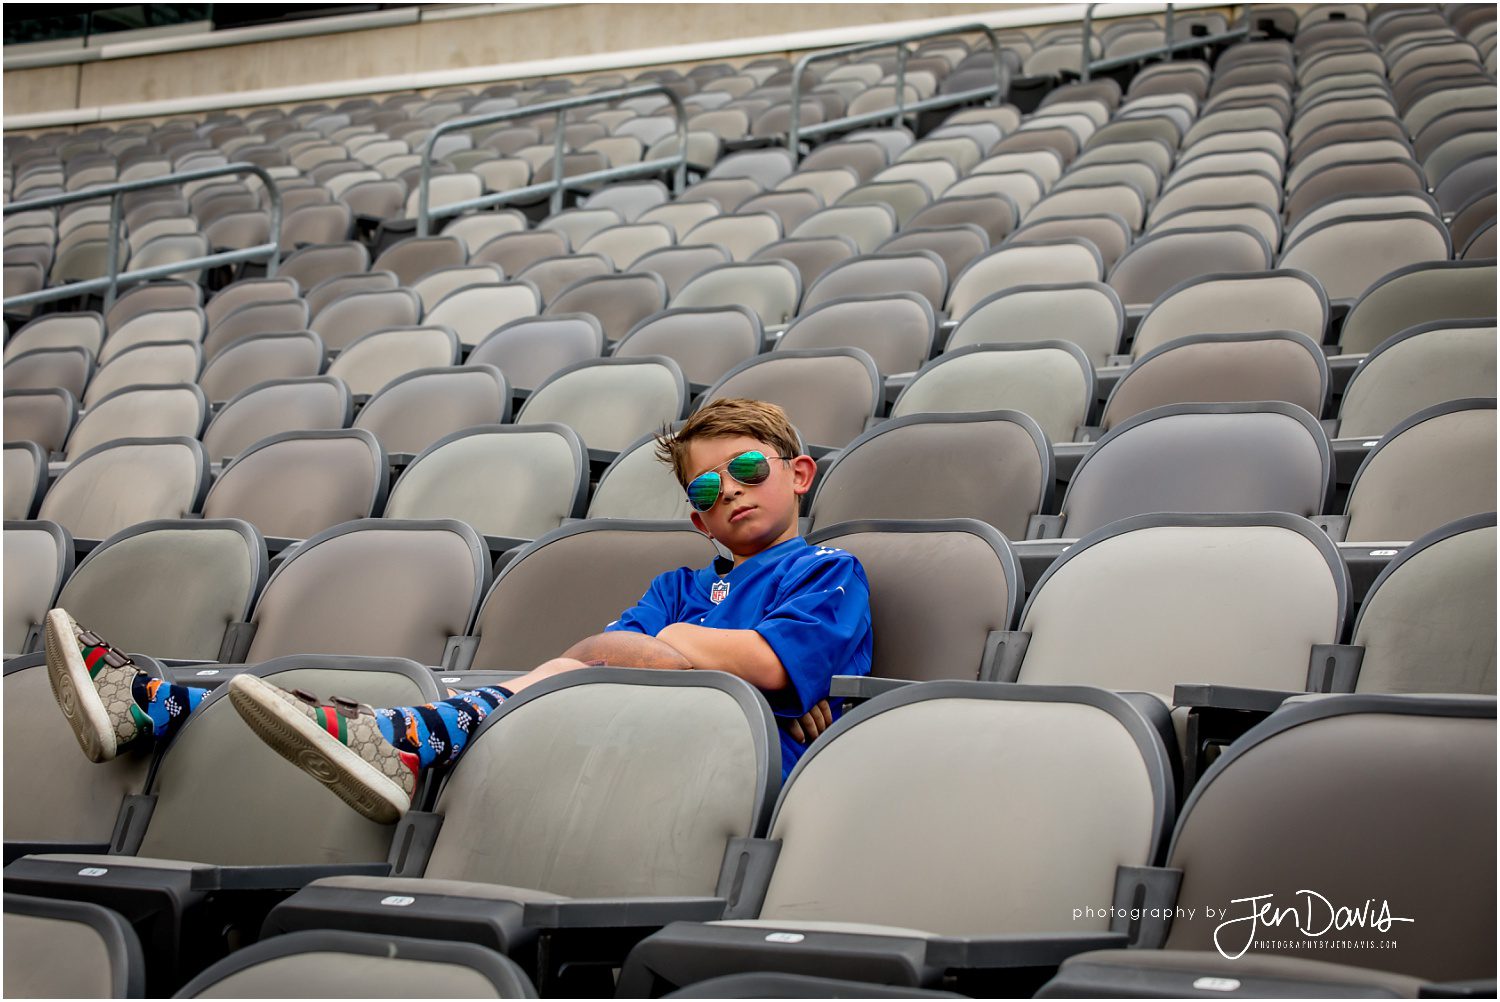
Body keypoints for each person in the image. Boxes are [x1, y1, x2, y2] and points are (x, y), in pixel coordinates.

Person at [45, 398, 873, 824]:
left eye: (749, 468)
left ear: (798, 474)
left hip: (715, 760)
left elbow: (762, 666)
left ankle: (409, 740)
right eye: (704, 486)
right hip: (611, 735)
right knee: (303, 684)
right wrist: (682, 650)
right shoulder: (679, 585)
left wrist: (683, 648)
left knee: (565, 670)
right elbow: (612, 652)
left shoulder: (829, 572)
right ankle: (167, 706)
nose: (727, 489)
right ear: (693, 518)